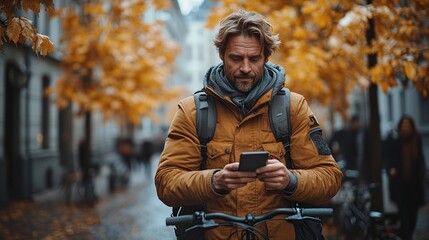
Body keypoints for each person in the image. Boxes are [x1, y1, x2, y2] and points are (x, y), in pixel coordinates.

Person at [155, 10, 343, 240]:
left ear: (266, 57)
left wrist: (290, 180)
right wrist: (215, 180)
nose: (245, 68)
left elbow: (329, 177)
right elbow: (166, 182)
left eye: (254, 59)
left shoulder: (293, 107)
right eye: (236, 58)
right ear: (222, 55)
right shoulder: (192, 112)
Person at [384, 115, 426, 240]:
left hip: (414, 186)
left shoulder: (416, 140)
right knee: (404, 216)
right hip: (400, 185)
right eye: (404, 125)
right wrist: (390, 169)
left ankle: (406, 236)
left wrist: (423, 173)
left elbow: (421, 160)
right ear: (400, 127)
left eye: (408, 125)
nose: (406, 127)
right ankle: (406, 236)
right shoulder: (394, 140)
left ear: (412, 127)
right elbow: (388, 158)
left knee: (413, 216)